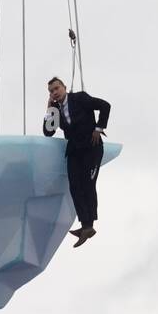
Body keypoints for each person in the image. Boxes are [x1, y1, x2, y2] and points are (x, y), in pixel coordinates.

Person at [42, 77, 110, 247]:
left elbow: (105, 106)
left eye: (56, 89)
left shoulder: (80, 98)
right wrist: (49, 109)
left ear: (64, 87)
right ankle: (86, 225)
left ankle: (89, 225)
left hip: (91, 147)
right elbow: (48, 132)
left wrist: (99, 128)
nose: (54, 93)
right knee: (74, 187)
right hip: (74, 150)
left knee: (88, 184)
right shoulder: (56, 109)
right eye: (51, 91)